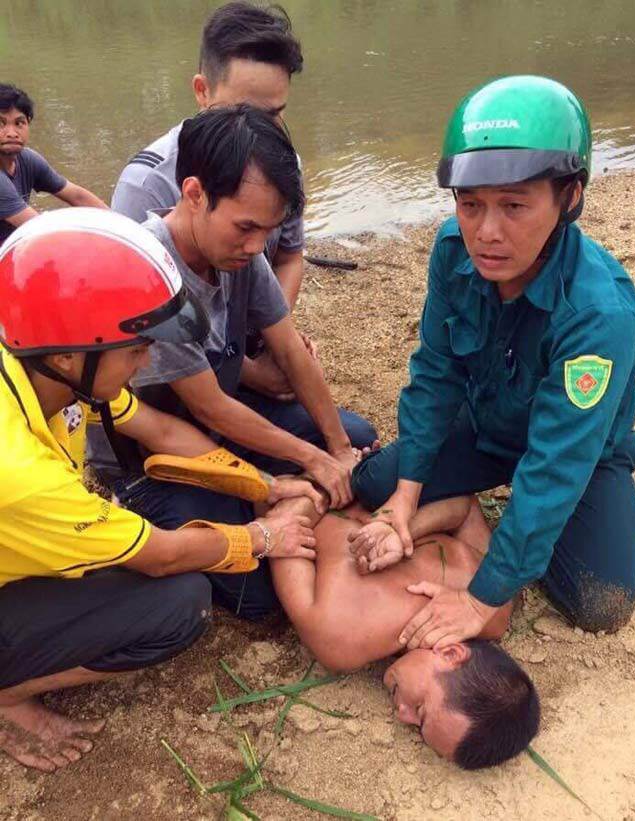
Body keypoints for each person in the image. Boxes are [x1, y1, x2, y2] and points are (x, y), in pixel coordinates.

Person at [0, 207, 321, 773]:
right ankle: (9, 693)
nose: (147, 360)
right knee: (179, 606)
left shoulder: (47, 371)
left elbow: (161, 428)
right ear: (68, 355)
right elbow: (160, 555)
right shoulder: (20, 471)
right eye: (135, 349)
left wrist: (263, 484)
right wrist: (263, 536)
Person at [351, 75, 635, 643]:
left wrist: (482, 596)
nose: (487, 232)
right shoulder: (451, 249)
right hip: (487, 427)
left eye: (514, 205)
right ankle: (460, 503)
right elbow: (435, 374)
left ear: (571, 196)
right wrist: (405, 498)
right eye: (470, 204)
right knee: (375, 486)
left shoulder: (597, 314)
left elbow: (558, 462)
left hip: (578, 451)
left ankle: (516, 518)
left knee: (599, 604)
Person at [89, 105, 376, 619]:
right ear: (194, 194)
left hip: (217, 422)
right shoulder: (152, 277)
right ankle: (196, 501)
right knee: (260, 597)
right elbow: (212, 408)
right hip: (153, 456)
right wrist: (314, 462)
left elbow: (288, 347)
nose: (256, 246)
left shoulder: (242, 254)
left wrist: (336, 448)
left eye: (268, 231)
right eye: (245, 227)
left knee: (354, 437)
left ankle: (267, 493)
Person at [268, 493, 540, 769]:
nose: (402, 715)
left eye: (416, 728)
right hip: (284, 476)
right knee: (256, 604)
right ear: (451, 653)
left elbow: (465, 506)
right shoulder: (341, 641)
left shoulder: (495, 603)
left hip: (360, 470)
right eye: (420, 710)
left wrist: (400, 528)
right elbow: (278, 524)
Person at [111, 1, 305, 311]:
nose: (260, 130)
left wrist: (272, 341)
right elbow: (137, 310)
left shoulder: (285, 162)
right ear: (202, 91)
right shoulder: (146, 185)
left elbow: (290, 257)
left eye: (274, 114)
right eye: (245, 111)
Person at [0, 84, 108, 243]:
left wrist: (122, 229)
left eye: (19, 123)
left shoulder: (28, 160)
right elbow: (40, 230)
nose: (11, 133)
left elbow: (78, 196)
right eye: (1, 123)